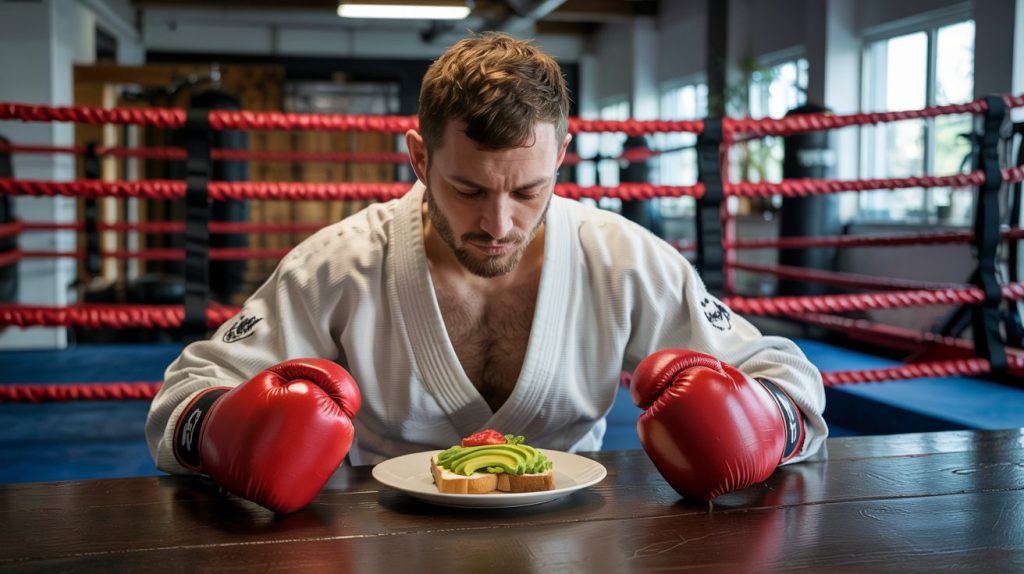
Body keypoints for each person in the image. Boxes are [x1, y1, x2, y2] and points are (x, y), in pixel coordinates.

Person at [146, 32, 827, 513]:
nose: (498, 224)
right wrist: (224, 431)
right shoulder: (338, 264)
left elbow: (790, 380)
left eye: (528, 191)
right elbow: (185, 393)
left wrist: (760, 423)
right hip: (381, 545)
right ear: (418, 157)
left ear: (562, 153)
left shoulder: (623, 257)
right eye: (469, 190)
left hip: (577, 546)